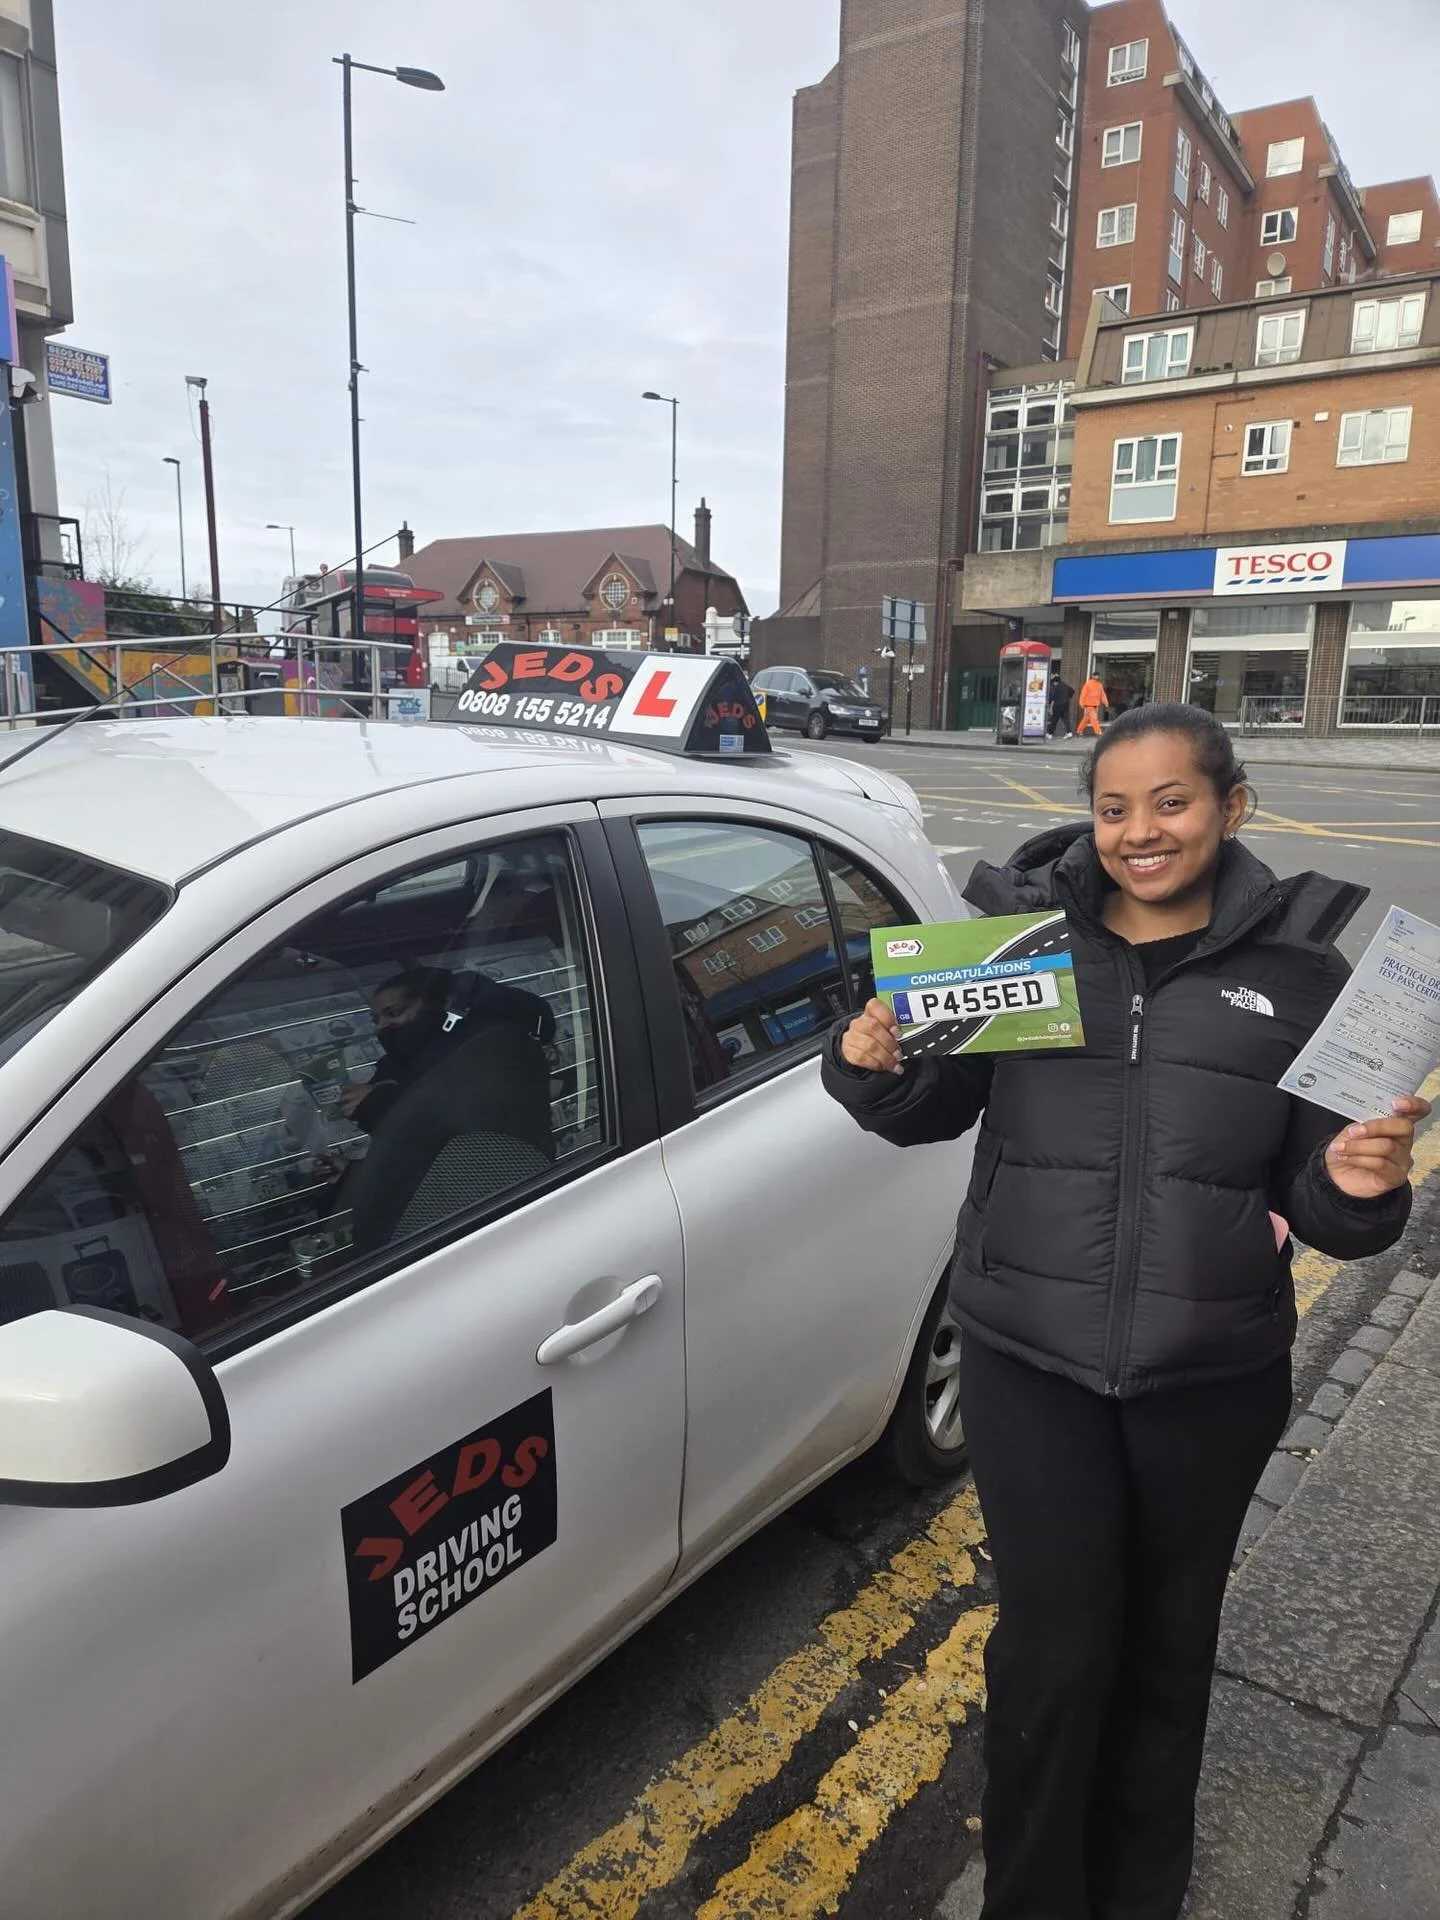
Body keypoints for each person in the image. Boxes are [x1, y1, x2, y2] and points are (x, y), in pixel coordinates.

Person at [822, 703, 1427, 1920]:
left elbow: (1322, 1198)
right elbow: (935, 1105)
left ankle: (1144, 1886)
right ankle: (1036, 1896)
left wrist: (1361, 1186)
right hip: (1027, 1361)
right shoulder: (1022, 946)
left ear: (1232, 807)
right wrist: (870, 1067)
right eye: (1113, 808)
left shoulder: (1307, 976)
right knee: (1052, 1652)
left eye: (1172, 803)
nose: (1140, 832)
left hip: (1211, 1372)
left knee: (1166, 1643)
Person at [1077, 672, 1108, 737]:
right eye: (1096, 676)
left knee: (1086, 719)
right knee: (1094, 718)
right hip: (1089, 705)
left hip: (1095, 705)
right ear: (1093, 676)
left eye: (1098, 676)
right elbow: (1083, 694)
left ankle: (1079, 731)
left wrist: (1105, 702)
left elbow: (1102, 694)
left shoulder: (1099, 685)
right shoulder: (1088, 684)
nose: (1097, 677)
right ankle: (1098, 732)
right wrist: (1081, 703)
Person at [1048, 673, 1075, 739]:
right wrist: (1068, 697)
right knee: (1066, 719)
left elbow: (1052, 696)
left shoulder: (1055, 687)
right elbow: (1072, 691)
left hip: (1058, 705)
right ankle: (1069, 733)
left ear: (1055, 682)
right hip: (1066, 704)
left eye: (1053, 683)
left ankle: (1050, 734)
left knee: (1054, 719)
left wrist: (1049, 703)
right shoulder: (1065, 685)